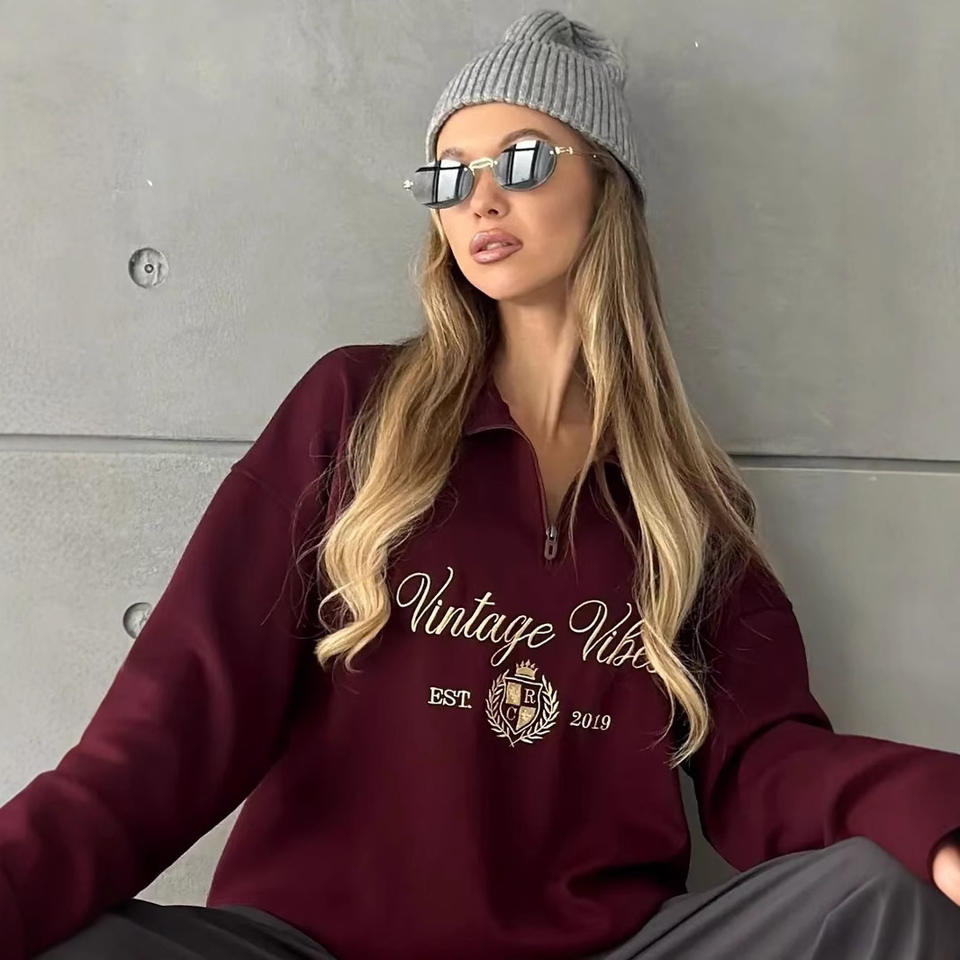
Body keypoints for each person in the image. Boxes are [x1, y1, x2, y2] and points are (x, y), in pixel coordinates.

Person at [3, 8, 960, 960]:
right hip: (317, 950)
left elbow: (765, 763)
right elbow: (174, 723)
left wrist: (939, 825)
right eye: (451, 175)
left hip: (603, 949)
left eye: (525, 161)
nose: (481, 201)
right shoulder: (355, 409)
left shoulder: (682, 500)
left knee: (886, 888)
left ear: (606, 184)